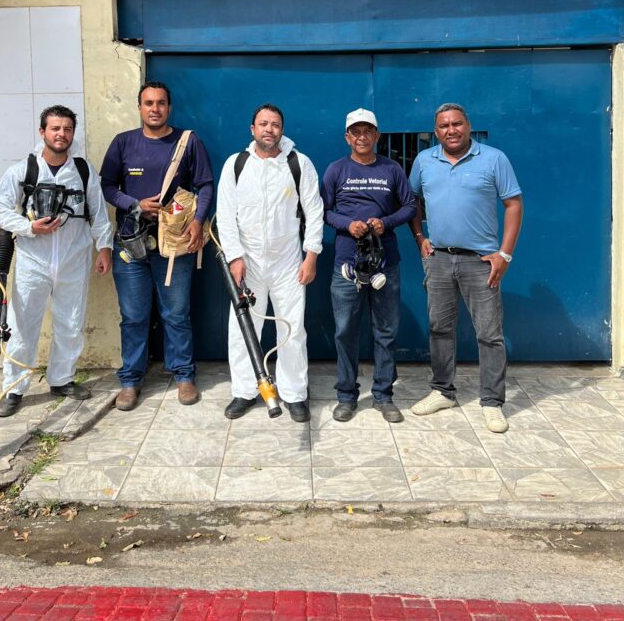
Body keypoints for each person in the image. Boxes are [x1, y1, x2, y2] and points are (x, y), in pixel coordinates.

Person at [0, 105, 113, 417]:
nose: (62, 134)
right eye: (55, 128)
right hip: (34, 260)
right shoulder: (24, 171)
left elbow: (98, 213)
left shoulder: (82, 170)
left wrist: (105, 248)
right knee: (22, 325)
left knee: (71, 322)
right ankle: (14, 388)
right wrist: (29, 227)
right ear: (42, 132)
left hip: (75, 258)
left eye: (67, 129)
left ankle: (62, 379)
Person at [408, 102, 523, 434]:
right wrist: (420, 238)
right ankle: (443, 391)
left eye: (456, 124)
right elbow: (412, 200)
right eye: (443, 126)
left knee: (489, 334)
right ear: (436, 131)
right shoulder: (424, 161)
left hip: (480, 261)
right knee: (439, 328)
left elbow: (513, 203)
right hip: (439, 259)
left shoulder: (493, 158)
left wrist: (505, 254)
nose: (451, 130)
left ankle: (491, 402)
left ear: (468, 126)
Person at [101, 81, 214, 410]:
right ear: (139, 107)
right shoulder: (123, 143)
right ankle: (130, 382)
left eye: (161, 103)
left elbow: (205, 185)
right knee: (133, 316)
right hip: (129, 242)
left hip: (174, 244)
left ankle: (183, 375)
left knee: (176, 314)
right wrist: (133, 203)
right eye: (148, 103)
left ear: (169, 107)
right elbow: (107, 185)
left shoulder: (187, 143)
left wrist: (197, 221)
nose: (155, 108)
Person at [216, 104, 324, 422]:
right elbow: (225, 215)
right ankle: (246, 391)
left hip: (288, 262)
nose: (269, 129)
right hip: (247, 262)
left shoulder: (298, 163)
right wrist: (235, 257)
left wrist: (311, 256)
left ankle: (294, 394)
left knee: (292, 329)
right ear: (252, 129)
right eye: (263, 123)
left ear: (282, 129)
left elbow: (315, 212)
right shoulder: (236, 165)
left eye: (275, 124)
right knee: (243, 328)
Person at [321, 109, 416, 423]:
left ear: (377, 136)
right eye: (355, 132)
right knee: (345, 330)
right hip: (346, 265)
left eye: (368, 132)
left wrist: (384, 222)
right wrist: (349, 225)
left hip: (385, 263)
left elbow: (410, 206)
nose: (362, 137)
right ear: (348, 137)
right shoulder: (336, 170)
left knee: (386, 332)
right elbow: (323, 211)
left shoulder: (392, 169)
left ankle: (383, 395)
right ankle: (346, 396)